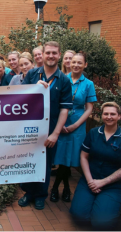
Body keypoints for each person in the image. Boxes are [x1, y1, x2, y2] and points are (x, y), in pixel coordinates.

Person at [19, 41, 72, 210]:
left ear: (59, 55)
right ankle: (29, 193)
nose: (50, 56)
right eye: (47, 52)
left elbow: (65, 109)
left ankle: (41, 195)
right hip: (30, 128)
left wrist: (56, 134)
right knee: (29, 159)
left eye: (54, 53)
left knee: (45, 163)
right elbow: (20, 98)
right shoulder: (33, 74)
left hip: (50, 130)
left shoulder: (63, 80)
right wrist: (33, 89)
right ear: (42, 54)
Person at [51, 52, 97, 202]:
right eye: (74, 62)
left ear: (85, 65)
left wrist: (76, 125)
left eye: (79, 63)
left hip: (77, 125)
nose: (76, 65)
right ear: (69, 63)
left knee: (70, 158)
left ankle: (57, 187)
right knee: (62, 157)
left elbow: (89, 108)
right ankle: (63, 187)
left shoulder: (88, 84)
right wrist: (61, 123)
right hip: (60, 121)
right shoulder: (62, 79)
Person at [70, 102, 121, 230]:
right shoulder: (93, 133)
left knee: (101, 223)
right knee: (79, 216)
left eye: (113, 114)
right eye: (106, 114)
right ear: (102, 115)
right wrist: (90, 181)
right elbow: (84, 157)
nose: (109, 116)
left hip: (113, 184)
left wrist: (103, 182)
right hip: (90, 180)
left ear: (119, 116)